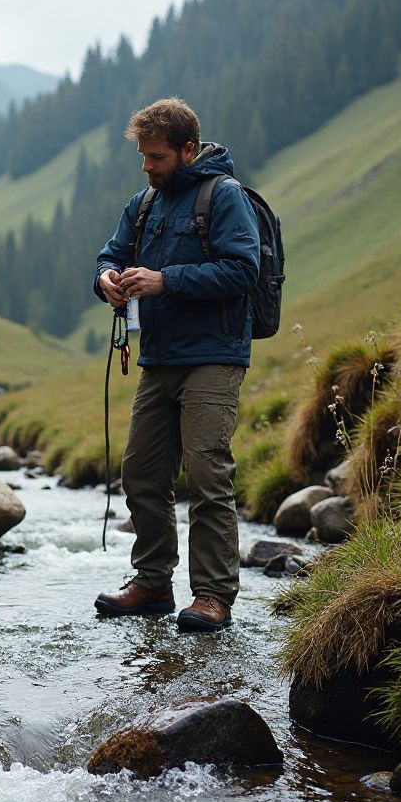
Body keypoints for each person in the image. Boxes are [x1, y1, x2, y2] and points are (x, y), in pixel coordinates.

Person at [93, 99, 259, 631]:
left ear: (189, 150)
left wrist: (167, 280)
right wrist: (106, 280)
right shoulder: (143, 203)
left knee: (207, 474)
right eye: (143, 156)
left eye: (157, 156)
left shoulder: (225, 197)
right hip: (157, 359)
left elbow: (242, 270)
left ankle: (212, 595)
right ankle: (153, 583)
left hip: (214, 356)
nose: (147, 165)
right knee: (141, 472)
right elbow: (110, 254)